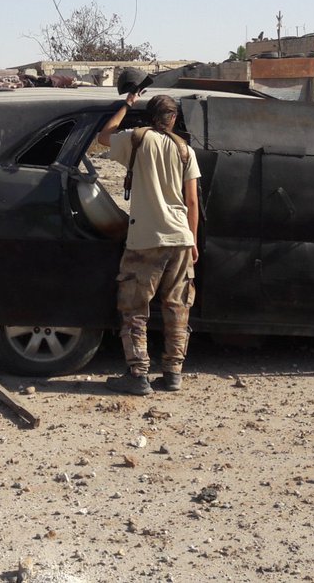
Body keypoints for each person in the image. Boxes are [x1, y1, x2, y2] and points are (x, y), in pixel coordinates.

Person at [96, 77, 201, 396]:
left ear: (149, 115)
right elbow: (192, 201)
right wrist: (193, 242)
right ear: (174, 118)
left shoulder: (136, 139)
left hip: (145, 239)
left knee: (134, 309)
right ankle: (173, 374)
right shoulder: (185, 150)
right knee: (177, 307)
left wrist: (126, 105)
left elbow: (104, 136)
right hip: (180, 238)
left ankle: (138, 374)